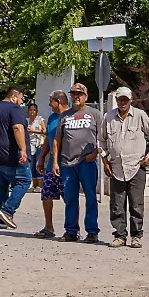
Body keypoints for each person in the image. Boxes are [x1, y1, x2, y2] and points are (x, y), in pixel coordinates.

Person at [102, 86, 149, 249]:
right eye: (120, 99)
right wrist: (104, 160)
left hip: (136, 167)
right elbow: (101, 141)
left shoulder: (140, 115)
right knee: (116, 204)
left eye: (125, 99)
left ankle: (136, 236)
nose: (122, 102)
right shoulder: (108, 117)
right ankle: (119, 235)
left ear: (130, 101)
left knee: (136, 204)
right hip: (116, 168)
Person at [57, 83, 103, 243]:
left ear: (86, 96)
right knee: (70, 198)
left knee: (90, 197)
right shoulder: (65, 115)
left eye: (79, 94)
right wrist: (56, 162)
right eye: (73, 94)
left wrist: (96, 153)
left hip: (87, 162)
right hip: (67, 163)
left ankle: (92, 231)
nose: (76, 97)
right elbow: (58, 140)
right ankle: (71, 231)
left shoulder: (95, 114)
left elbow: (102, 138)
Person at [0, 88, 32, 230]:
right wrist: (23, 150)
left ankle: (0, 219)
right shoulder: (14, 109)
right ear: (14, 97)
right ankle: (7, 210)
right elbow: (17, 128)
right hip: (11, 155)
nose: (21, 102)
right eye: (21, 98)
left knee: (1, 185)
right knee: (24, 180)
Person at [35, 91, 66, 238]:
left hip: (67, 164)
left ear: (58, 102)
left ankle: (73, 229)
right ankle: (49, 227)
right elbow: (48, 138)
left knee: (69, 198)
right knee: (46, 194)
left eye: (51, 102)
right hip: (51, 165)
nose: (49, 105)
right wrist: (41, 157)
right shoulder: (52, 118)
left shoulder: (71, 116)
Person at [26, 103, 46, 189]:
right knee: (31, 164)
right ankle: (33, 183)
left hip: (38, 144)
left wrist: (33, 131)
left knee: (38, 163)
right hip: (29, 144)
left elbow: (44, 131)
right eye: (30, 110)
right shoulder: (26, 120)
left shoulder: (39, 120)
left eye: (34, 110)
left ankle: (40, 184)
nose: (32, 112)